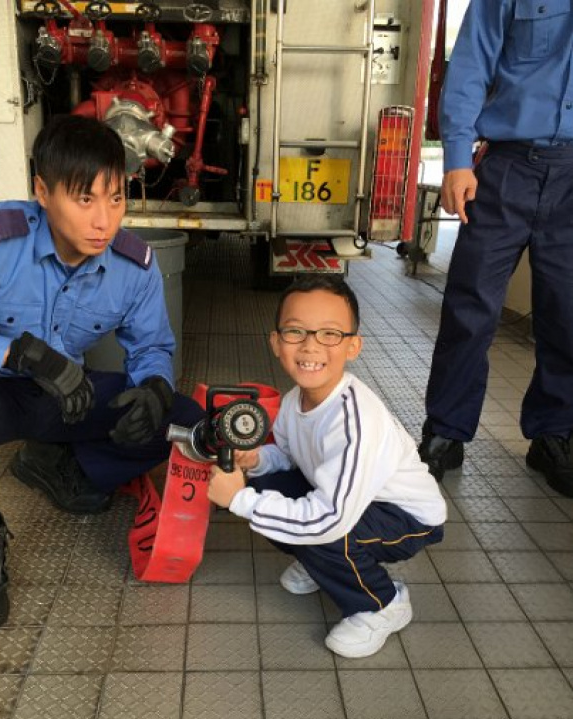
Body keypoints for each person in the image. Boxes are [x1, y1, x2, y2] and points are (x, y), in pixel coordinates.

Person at [0, 114, 202, 631]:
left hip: (63, 398)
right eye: (84, 199)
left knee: (182, 419)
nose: (104, 220)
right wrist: (17, 354)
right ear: (43, 191)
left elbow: (151, 346)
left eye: (116, 198)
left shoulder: (134, 266)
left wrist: (154, 385)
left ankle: (60, 463)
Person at [207, 277, 446, 658]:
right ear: (276, 342)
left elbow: (330, 519)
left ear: (353, 346)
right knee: (266, 483)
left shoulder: (355, 421)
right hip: (352, 500)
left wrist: (238, 500)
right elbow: (288, 455)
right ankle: (322, 565)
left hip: (407, 517)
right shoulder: (293, 401)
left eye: (330, 334)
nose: (310, 345)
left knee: (325, 532)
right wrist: (256, 460)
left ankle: (381, 604)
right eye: (295, 331)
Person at [418, 1, 573, 496]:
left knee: (567, 313)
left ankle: (554, 434)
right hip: (508, 167)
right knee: (470, 307)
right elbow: (471, 63)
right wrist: (456, 159)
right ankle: (446, 430)